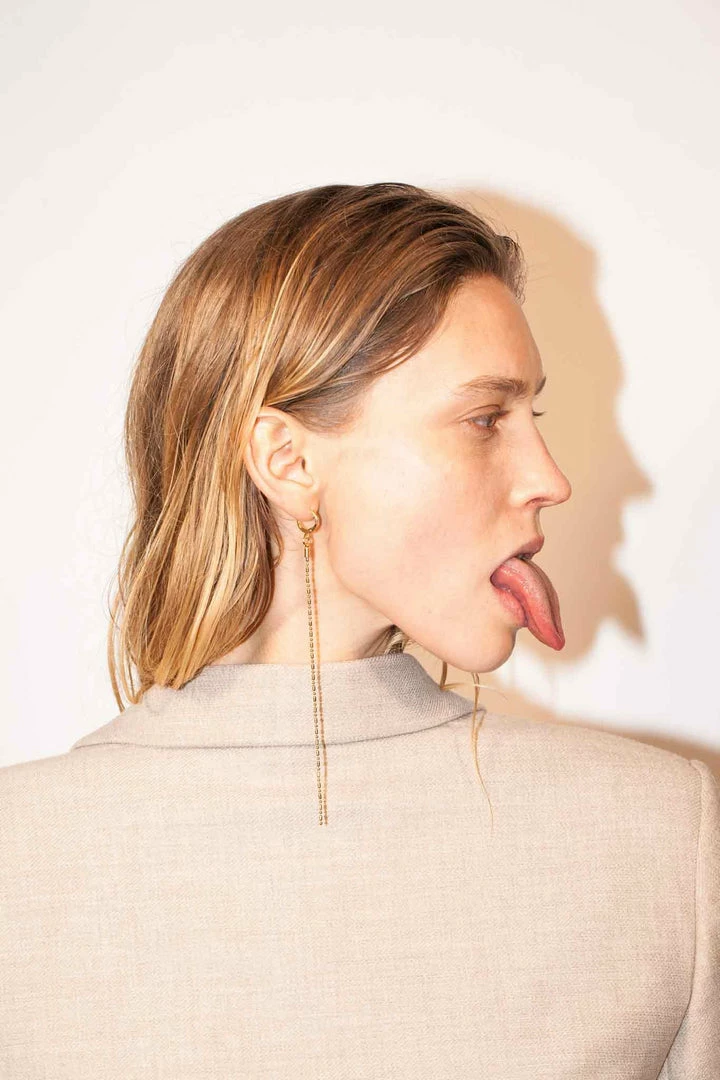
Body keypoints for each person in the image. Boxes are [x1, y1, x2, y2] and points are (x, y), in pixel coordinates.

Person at [1, 182, 717, 1078]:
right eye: (485, 418)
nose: (550, 478)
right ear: (288, 460)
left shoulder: (662, 837)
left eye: (531, 417)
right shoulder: (665, 828)